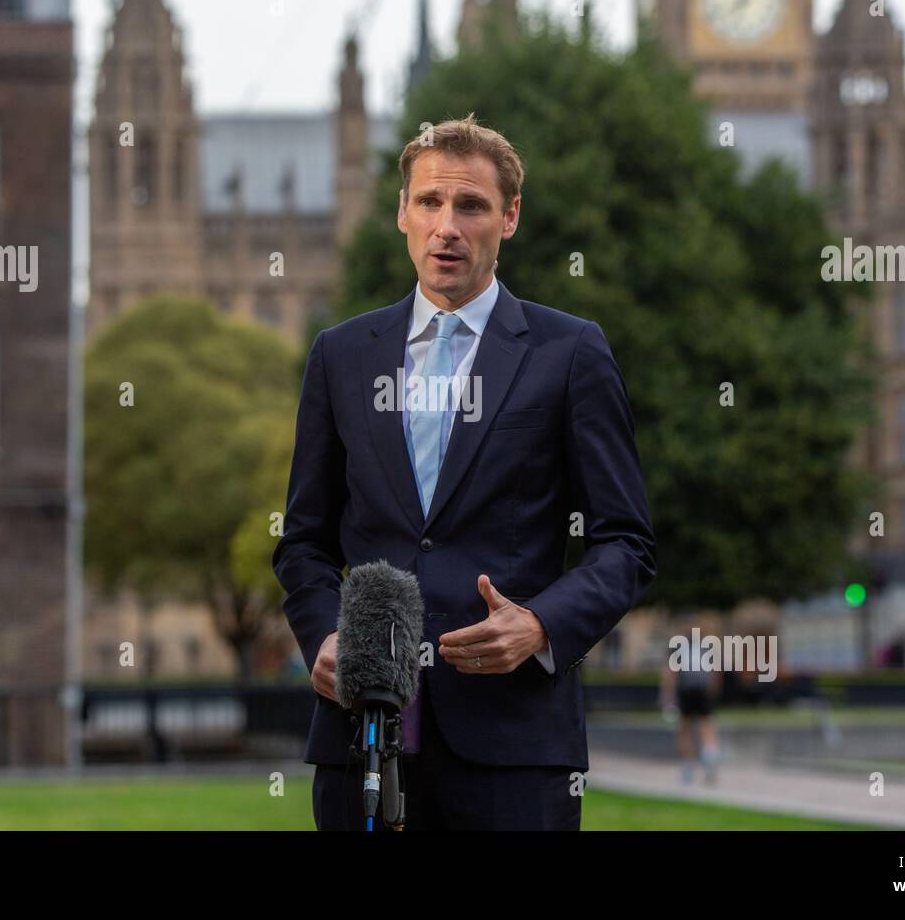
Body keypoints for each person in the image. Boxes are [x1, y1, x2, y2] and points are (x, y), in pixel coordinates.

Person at [272, 113, 657, 830]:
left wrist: (541, 624)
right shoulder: (342, 355)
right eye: (429, 203)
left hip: (514, 750)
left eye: (471, 206)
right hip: (362, 740)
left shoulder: (569, 352)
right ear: (402, 213)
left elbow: (627, 542)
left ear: (509, 217)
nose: (447, 226)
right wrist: (325, 637)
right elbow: (303, 543)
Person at [658, 615, 722, 786]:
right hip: (703, 689)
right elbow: (716, 672)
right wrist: (713, 692)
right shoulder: (707, 645)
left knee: (684, 728)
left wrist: (667, 696)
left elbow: (669, 673)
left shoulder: (677, 646)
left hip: (685, 689)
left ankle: (688, 766)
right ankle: (710, 756)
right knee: (707, 725)